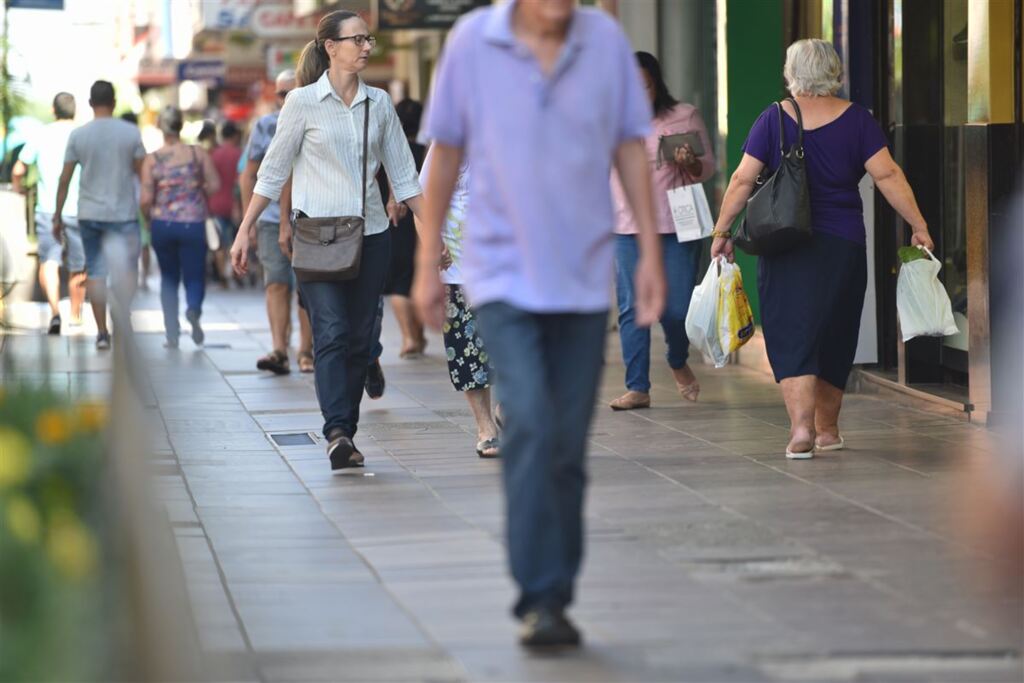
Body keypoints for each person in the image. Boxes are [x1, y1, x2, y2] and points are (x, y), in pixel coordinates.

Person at [413, 0, 665, 648]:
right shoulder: (473, 44)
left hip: (580, 279)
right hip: (498, 275)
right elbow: (444, 156)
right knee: (528, 418)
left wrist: (651, 257)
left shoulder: (604, 44)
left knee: (567, 445)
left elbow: (631, 150)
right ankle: (540, 594)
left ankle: (557, 584)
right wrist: (424, 262)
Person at [711, 39, 934, 458]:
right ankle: (827, 430)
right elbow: (887, 174)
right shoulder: (858, 121)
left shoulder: (772, 119)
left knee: (791, 330)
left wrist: (721, 231)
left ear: (791, 72)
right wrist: (918, 224)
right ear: (835, 71)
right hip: (842, 242)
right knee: (836, 329)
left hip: (783, 241)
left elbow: (742, 180)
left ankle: (800, 432)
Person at [231, 10, 424, 470]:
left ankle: (346, 430)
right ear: (330, 47)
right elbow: (273, 171)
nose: (366, 47)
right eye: (356, 39)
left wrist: (431, 232)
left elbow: (405, 177)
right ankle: (338, 431)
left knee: (360, 338)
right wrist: (244, 230)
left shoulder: (380, 104)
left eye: (368, 39)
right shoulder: (300, 103)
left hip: (372, 235)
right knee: (332, 332)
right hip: (316, 235)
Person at [609, 51, 715, 410]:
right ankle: (637, 387)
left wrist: (690, 161)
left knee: (677, 309)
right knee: (632, 308)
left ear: (657, 84)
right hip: (626, 227)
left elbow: (708, 169)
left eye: (646, 86)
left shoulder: (683, 115)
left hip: (676, 226)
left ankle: (676, 358)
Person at [419, 150, 499, 457]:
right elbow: (421, 201)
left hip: (509, 265)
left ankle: (509, 405)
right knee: (469, 351)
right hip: (458, 268)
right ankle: (485, 427)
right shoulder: (449, 140)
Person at [54, 80, 146, 350]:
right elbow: (143, 175)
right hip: (124, 213)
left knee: (95, 270)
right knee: (126, 270)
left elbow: (65, 178)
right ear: (114, 102)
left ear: (91, 103)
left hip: (89, 213)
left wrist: (57, 215)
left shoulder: (79, 135)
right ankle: (121, 321)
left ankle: (102, 333)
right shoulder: (130, 133)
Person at [238, 70, 314, 374]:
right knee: (276, 284)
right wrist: (248, 222)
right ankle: (280, 349)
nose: (286, 99)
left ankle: (306, 351)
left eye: (291, 92)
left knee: (307, 287)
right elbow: (250, 174)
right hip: (270, 219)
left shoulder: (313, 119)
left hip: (309, 217)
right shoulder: (266, 126)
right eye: (282, 94)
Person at [140, 106, 220, 348]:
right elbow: (215, 184)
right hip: (193, 222)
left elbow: (145, 199)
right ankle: (193, 309)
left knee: (168, 278)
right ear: (181, 126)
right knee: (195, 275)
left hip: (162, 224)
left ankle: (172, 333)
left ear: (160, 128)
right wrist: (196, 191)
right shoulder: (197, 155)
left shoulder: (151, 160)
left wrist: (148, 219)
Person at [12, 92, 86, 335]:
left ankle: (55, 313)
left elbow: (19, 168)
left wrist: (19, 189)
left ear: (54, 110)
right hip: (78, 209)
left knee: (49, 262)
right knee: (79, 265)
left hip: (46, 208)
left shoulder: (40, 134)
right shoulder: (82, 135)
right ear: (74, 111)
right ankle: (76, 314)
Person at [381, 98, 428, 359]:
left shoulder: (390, 149)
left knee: (400, 283)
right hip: (424, 219)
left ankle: (409, 337)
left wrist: (391, 198)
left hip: (396, 220)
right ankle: (418, 336)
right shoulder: (427, 151)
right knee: (418, 278)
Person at [119, 111, 153, 291]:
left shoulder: (118, 143)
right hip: (139, 198)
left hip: (124, 200)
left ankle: (131, 277)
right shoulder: (137, 142)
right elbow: (144, 174)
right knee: (144, 241)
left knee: (128, 242)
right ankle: (143, 278)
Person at [209, 120, 243, 286]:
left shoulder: (215, 154)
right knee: (237, 239)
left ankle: (222, 275)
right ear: (235, 135)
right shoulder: (240, 154)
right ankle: (237, 273)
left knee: (220, 242)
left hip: (216, 204)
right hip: (237, 205)